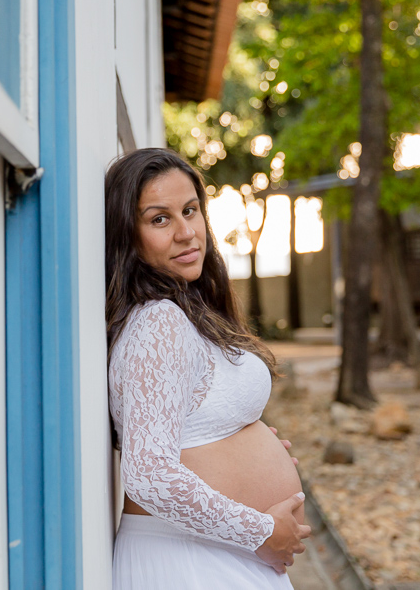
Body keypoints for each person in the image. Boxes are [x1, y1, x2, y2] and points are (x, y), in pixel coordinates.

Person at [105, 148, 312, 589]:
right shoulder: (158, 320)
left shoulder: (184, 310)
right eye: (160, 219)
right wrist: (260, 531)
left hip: (206, 554)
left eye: (190, 210)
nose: (186, 233)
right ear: (128, 235)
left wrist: (239, 445)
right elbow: (148, 475)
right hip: (187, 559)